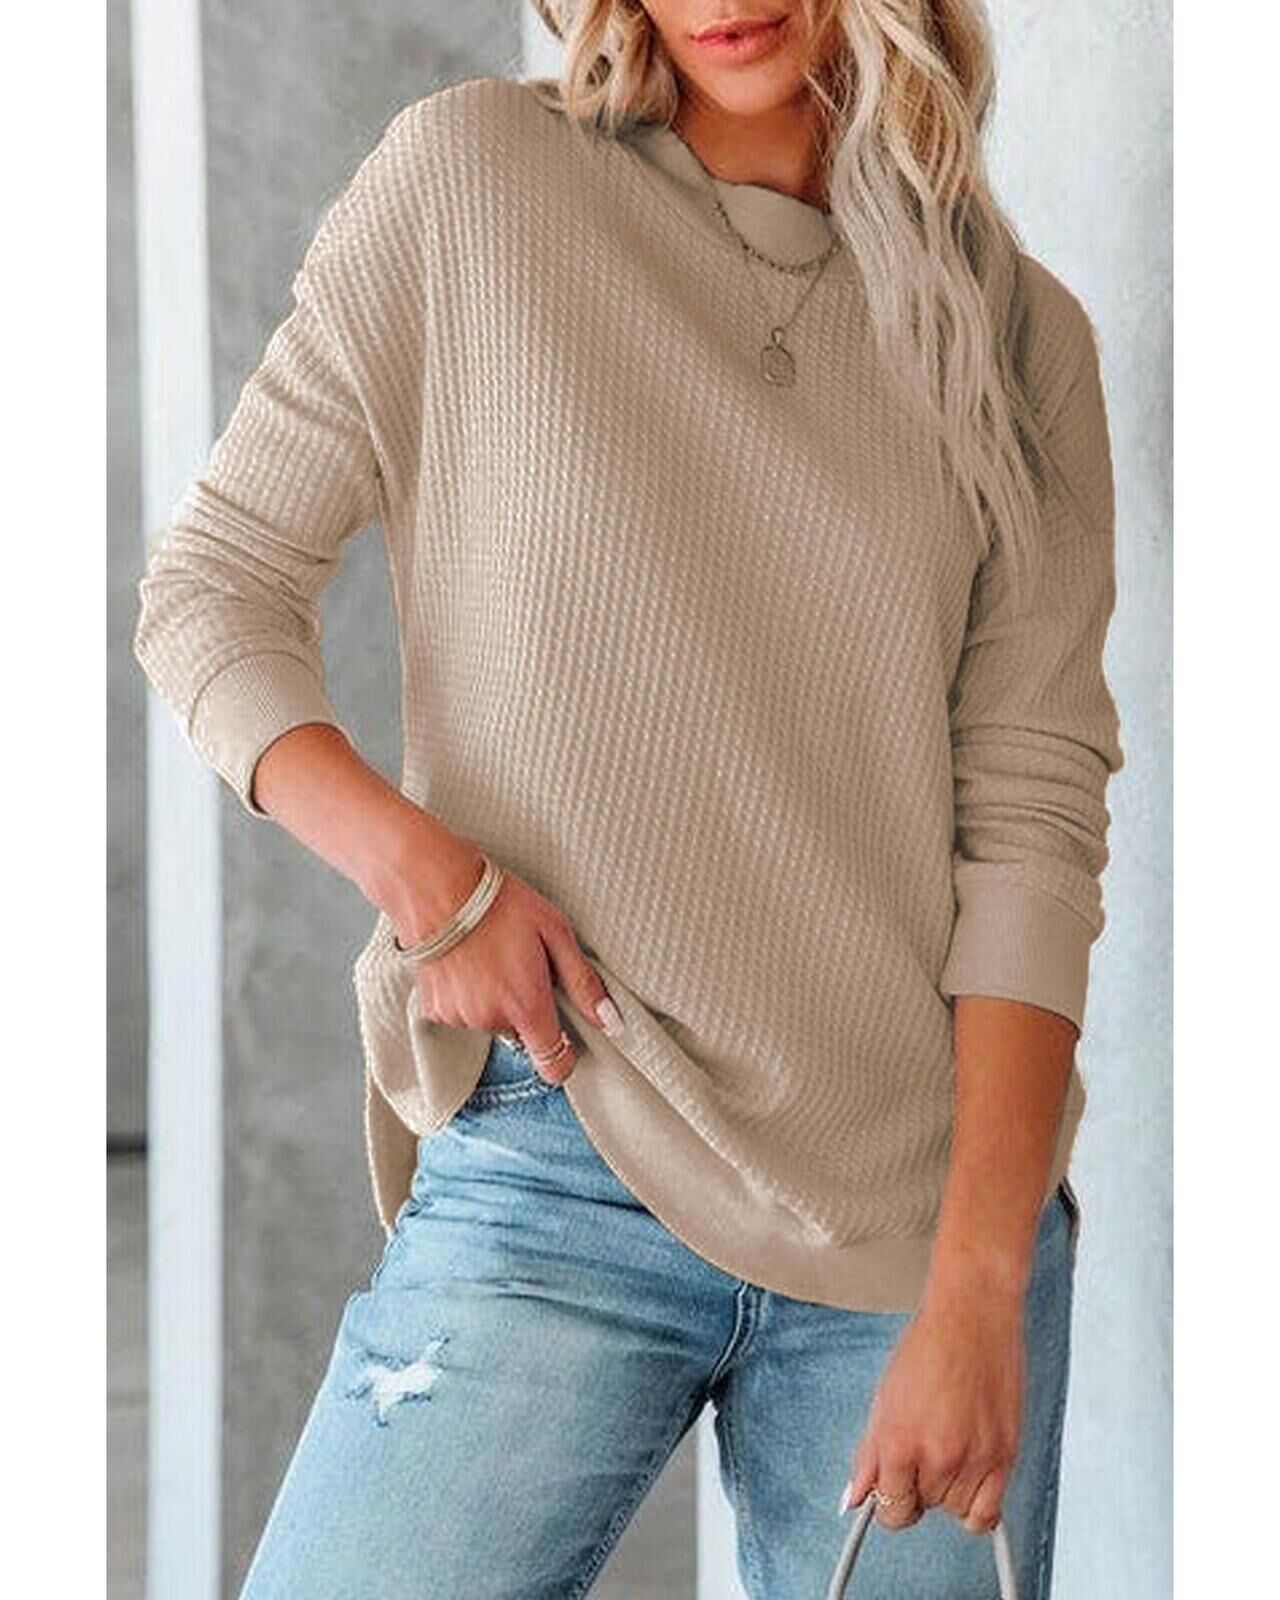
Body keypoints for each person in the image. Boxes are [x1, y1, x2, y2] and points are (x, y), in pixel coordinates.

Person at [132, 3, 1123, 1595]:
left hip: (916, 1231)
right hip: (557, 1150)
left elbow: (1031, 825)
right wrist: (431, 883)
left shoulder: (1018, 339)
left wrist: (977, 1290)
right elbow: (211, 590)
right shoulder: (475, 182)